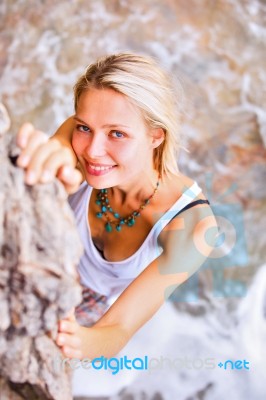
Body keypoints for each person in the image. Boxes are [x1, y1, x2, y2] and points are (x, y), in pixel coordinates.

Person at [16, 53, 218, 360]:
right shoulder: (80, 139)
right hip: (37, 256)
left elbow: (119, 327)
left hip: (86, 301)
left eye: (117, 134)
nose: (93, 151)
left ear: (156, 136)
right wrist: (50, 159)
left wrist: (81, 341)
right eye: (84, 127)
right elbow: (59, 150)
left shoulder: (193, 226)